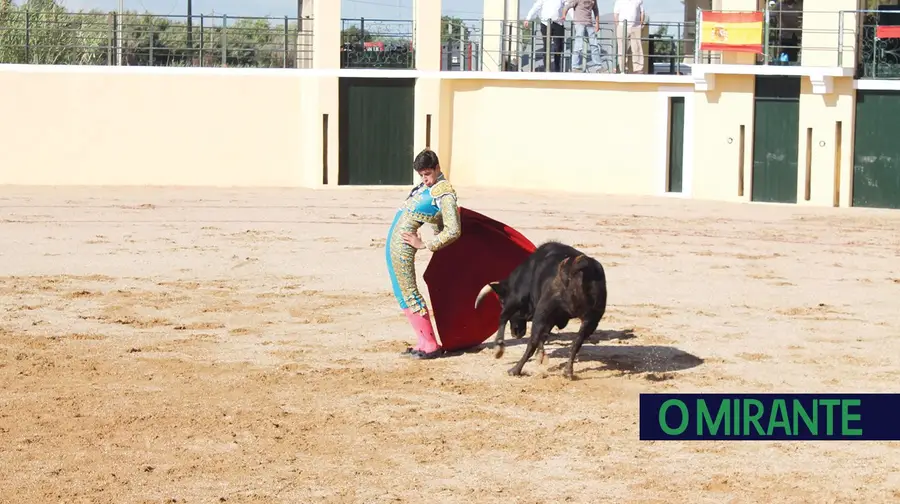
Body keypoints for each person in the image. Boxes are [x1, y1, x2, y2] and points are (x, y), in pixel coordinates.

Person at [385, 148, 461, 360]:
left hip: (404, 248)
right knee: (402, 293)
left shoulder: (444, 193)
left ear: (437, 168)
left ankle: (430, 344)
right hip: (395, 246)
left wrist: (426, 244)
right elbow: (438, 221)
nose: (425, 179)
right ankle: (423, 340)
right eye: (422, 175)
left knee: (409, 291)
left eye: (428, 174)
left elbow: (453, 229)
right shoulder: (427, 188)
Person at [524, 0, 567, 72]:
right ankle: (546, 67)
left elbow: (568, 6)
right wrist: (528, 18)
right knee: (546, 46)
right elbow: (535, 7)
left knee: (558, 47)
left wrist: (575, 20)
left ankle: (557, 67)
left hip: (558, 23)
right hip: (545, 24)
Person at [561, 0, 602, 72]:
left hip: (589, 24)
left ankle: (598, 66)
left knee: (594, 45)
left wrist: (597, 24)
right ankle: (575, 67)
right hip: (579, 23)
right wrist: (564, 15)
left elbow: (596, 11)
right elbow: (567, 6)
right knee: (579, 45)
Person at [613, 0, 645, 73]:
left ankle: (638, 69)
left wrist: (641, 24)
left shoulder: (639, 1)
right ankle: (623, 69)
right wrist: (618, 25)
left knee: (637, 48)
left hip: (636, 27)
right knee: (622, 49)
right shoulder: (619, 1)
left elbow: (642, 12)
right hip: (622, 26)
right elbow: (615, 14)